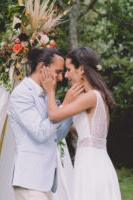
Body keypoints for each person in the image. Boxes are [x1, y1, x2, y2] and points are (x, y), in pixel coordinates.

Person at [41, 47, 122, 200]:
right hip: (91, 161)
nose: (66, 75)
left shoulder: (91, 97)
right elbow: (82, 131)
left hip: (92, 164)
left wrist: (50, 90)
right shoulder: (95, 96)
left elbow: (53, 115)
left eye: (69, 69)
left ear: (82, 70)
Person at [7, 47, 83, 200]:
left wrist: (71, 112)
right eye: (58, 72)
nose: (61, 78)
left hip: (43, 182)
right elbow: (41, 132)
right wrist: (64, 106)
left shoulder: (46, 97)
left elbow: (56, 136)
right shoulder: (21, 94)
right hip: (29, 180)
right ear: (42, 67)